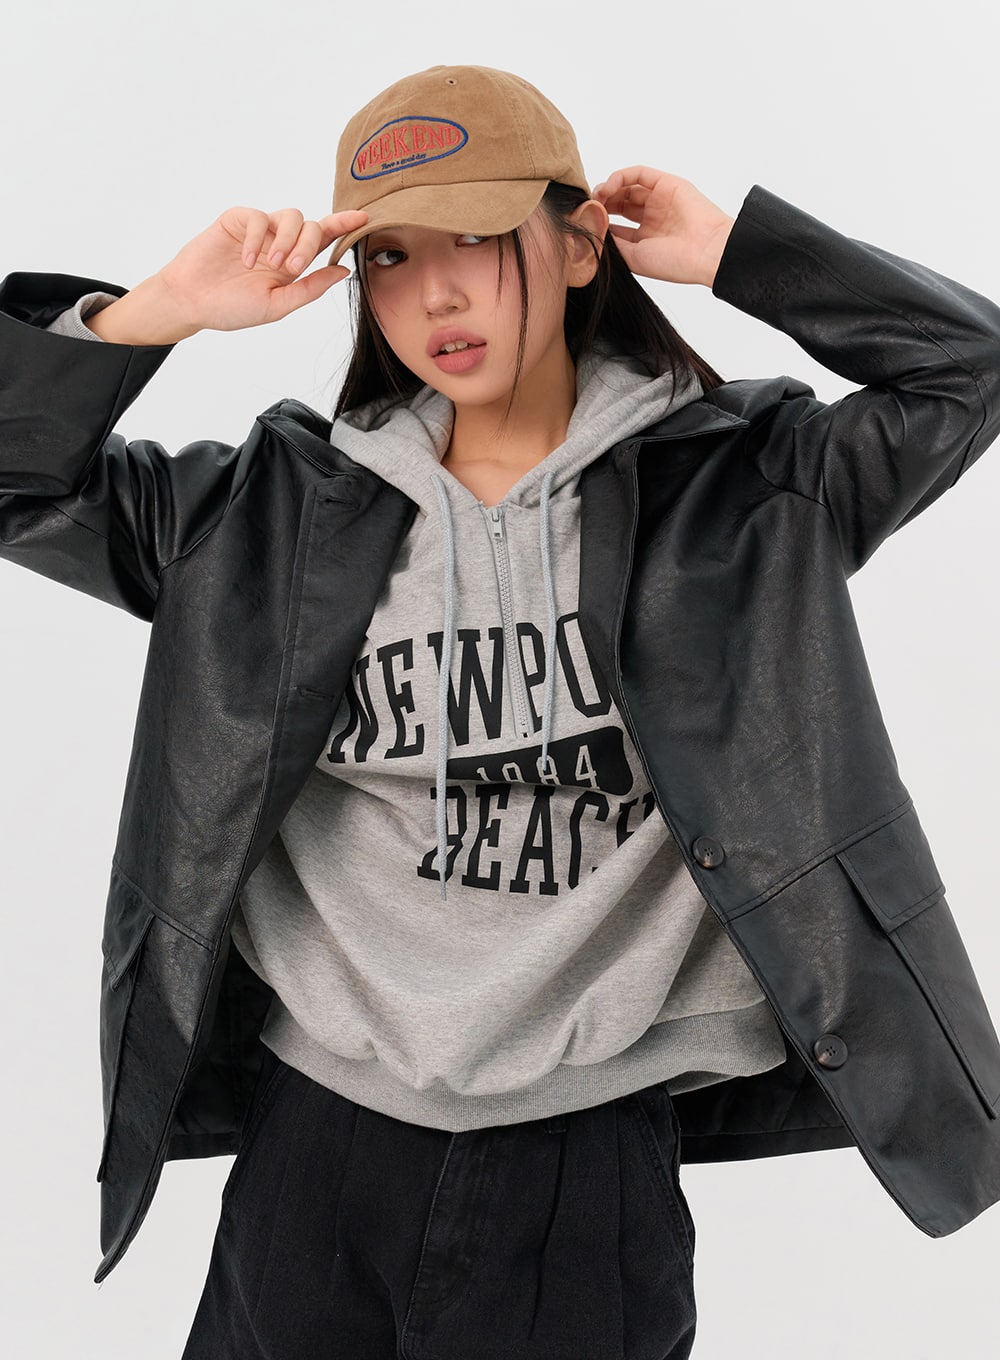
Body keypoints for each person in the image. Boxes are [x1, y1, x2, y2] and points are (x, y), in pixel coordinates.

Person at [3, 62, 1000, 1360]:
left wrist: (747, 255)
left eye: (476, 241)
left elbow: (969, 372)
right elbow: (19, 486)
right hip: (313, 1148)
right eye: (393, 257)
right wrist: (152, 314)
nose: (436, 295)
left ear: (581, 244)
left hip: (584, 1168)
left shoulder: (749, 492)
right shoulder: (266, 517)